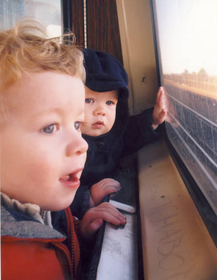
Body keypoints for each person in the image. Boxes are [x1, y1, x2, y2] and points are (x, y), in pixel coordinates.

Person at [0, 20, 126, 280]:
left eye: (77, 124)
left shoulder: (44, 203)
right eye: (50, 128)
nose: (82, 144)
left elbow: (54, 244)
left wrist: (79, 234)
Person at [71, 48, 168, 218]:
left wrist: (153, 119)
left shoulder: (114, 135)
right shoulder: (66, 145)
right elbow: (49, 193)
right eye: (89, 100)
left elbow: (131, 132)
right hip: (74, 217)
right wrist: (87, 198)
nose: (101, 111)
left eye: (109, 102)